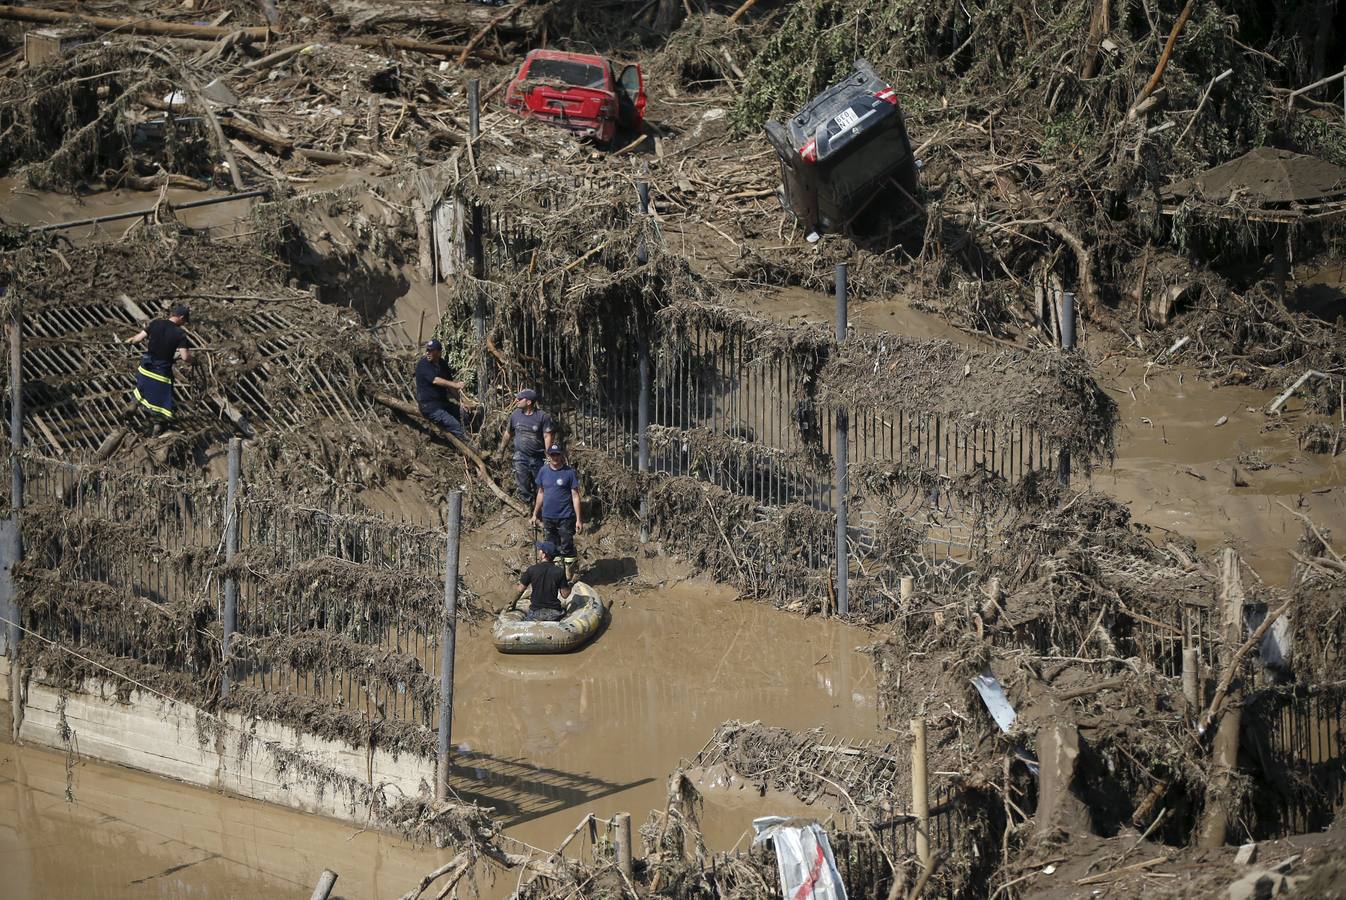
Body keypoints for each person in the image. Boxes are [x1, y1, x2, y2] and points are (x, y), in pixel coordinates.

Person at [125, 305, 191, 434]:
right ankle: (157, 427)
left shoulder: (155, 323)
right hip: (161, 370)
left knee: (142, 387)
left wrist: (129, 341)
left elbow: (137, 339)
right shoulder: (180, 334)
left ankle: (133, 406)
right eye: (185, 321)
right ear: (181, 318)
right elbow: (185, 357)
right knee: (161, 399)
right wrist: (194, 360)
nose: (184, 324)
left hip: (146, 366)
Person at [532, 444, 582, 579]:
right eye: (552, 454)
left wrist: (578, 519)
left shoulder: (569, 473)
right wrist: (535, 514)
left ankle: (569, 574)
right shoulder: (543, 471)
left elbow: (575, 496)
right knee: (551, 547)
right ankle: (556, 576)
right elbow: (540, 493)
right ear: (548, 456)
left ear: (561, 455)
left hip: (565, 517)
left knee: (566, 545)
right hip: (548, 517)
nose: (555, 457)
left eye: (557, 454)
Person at [498, 388, 555, 503]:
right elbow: (508, 433)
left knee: (540, 485)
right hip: (520, 457)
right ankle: (528, 506)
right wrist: (501, 450)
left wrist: (549, 456)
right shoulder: (515, 415)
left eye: (519, 399)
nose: (516, 400)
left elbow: (547, 436)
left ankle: (540, 510)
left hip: (537, 457)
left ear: (528, 402)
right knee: (523, 485)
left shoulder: (542, 417)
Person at [415, 339, 473, 443]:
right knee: (456, 425)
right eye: (427, 350)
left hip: (442, 403)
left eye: (431, 350)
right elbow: (436, 380)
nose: (427, 353)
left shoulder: (443, 365)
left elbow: (450, 387)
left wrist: (461, 402)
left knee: (464, 414)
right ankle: (473, 448)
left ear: (438, 352)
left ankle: (468, 436)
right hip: (430, 407)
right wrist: (456, 384)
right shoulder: (423, 364)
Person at [513, 541, 569, 622]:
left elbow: (520, 590)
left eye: (540, 550)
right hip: (554, 613)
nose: (539, 551)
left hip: (535, 612)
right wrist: (569, 585)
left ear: (544, 555)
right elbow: (565, 595)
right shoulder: (559, 571)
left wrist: (513, 603)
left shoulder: (532, 569)